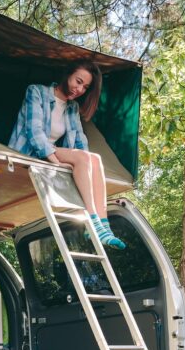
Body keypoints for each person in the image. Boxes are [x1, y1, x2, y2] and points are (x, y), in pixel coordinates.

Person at [8, 61, 125, 249]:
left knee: (95, 159)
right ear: (67, 74)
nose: (79, 89)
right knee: (84, 158)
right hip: (27, 152)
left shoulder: (73, 108)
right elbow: (34, 132)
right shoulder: (36, 91)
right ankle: (93, 220)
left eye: (85, 87)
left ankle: (103, 225)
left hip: (49, 152)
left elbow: (80, 141)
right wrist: (56, 163)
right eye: (78, 81)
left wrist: (85, 166)